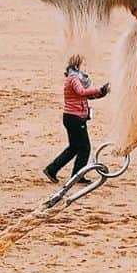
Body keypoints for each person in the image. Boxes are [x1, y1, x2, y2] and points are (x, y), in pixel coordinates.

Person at [43, 55, 110, 183]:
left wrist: (102, 93)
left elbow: (85, 97)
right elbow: (81, 92)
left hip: (71, 117)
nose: (85, 68)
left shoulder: (73, 78)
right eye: (83, 65)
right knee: (85, 148)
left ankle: (52, 170)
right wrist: (99, 89)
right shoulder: (74, 78)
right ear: (77, 65)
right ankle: (77, 176)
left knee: (74, 147)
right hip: (75, 117)